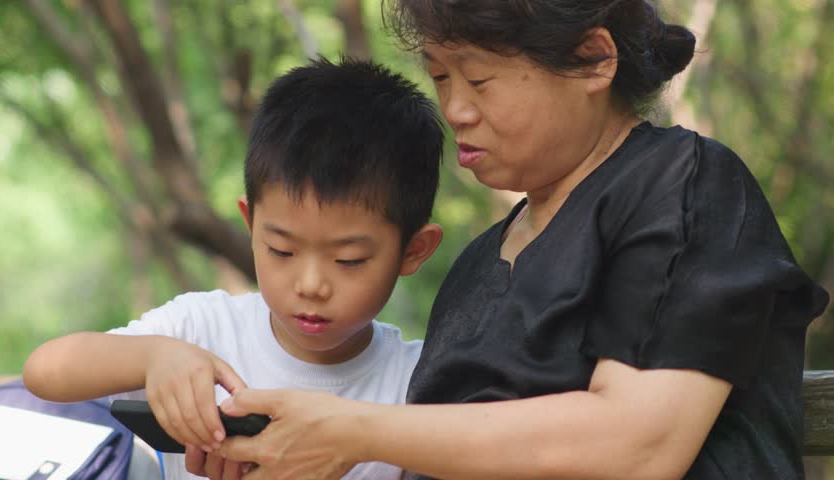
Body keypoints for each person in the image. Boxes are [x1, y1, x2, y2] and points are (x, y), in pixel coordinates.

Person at [187, 1, 831, 479]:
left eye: (479, 79)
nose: (456, 109)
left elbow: (641, 445)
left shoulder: (680, 184)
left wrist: (354, 431)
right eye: (440, 78)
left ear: (593, 59)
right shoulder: (474, 266)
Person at [22, 57, 445, 480]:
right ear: (251, 224)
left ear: (414, 250)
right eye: (281, 250)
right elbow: (45, 372)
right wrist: (153, 357)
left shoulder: (417, 383)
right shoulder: (201, 330)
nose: (311, 284)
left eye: (348, 260)